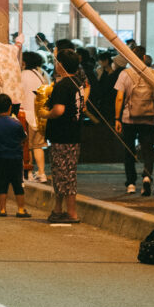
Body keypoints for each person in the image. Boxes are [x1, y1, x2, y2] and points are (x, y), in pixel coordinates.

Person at [44, 47, 88, 225]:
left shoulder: (63, 85)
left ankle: (71, 213)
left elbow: (59, 110)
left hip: (62, 135)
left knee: (64, 174)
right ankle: (58, 210)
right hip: (74, 133)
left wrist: (45, 114)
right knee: (65, 173)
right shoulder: (78, 83)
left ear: (61, 65)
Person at [113, 49, 154, 195]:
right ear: (144, 57)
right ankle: (147, 177)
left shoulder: (125, 74)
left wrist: (117, 118)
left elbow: (120, 97)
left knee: (129, 151)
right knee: (148, 150)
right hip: (149, 118)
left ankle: (131, 183)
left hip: (129, 118)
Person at [0, 94, 30, 218]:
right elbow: (23, 138)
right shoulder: (16, 123)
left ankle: (2, 209)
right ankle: (21, 210)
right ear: (10, 107)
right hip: (16, 158)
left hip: (0, 158)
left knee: (2, 184)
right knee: (18, 184)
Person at [19, 51, 50, 183]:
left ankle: (28, 173)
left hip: (26, 114)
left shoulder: (22, 75)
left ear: (24, 62)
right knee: (38, 146)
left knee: (27, 146)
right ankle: (42, 173)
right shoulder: (40, 75)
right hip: (40, 115)